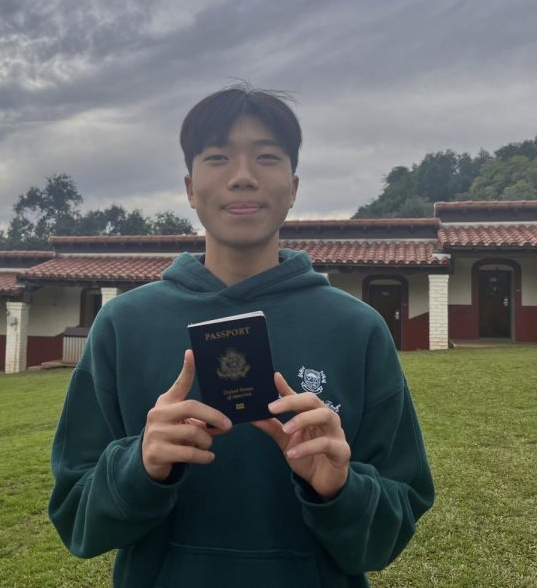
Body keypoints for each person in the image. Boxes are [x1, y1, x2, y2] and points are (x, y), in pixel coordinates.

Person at [48, 84, 434, 587]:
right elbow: (77, 518)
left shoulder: (356, 328)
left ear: (293, 187)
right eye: (218, 157)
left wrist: (339, 490)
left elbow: (395, 520)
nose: (244, 177)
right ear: (189, 187)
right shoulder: (124, 325)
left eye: (267, 158)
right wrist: (140, 465)